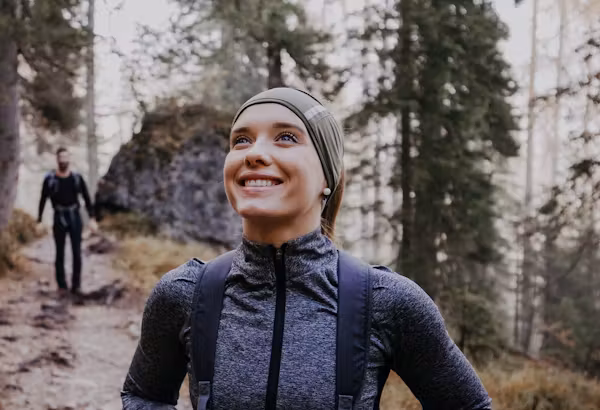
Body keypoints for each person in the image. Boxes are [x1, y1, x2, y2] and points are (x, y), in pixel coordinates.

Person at [121, 87, 492, 409]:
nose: (253, 153)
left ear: (327, 176)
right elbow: (143, 395)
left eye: (285, 137)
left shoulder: (387, 302)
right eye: (241, 140)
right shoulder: (185, 293)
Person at [38, 147, 97, 297]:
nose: (63, 160)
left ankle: (76, 285)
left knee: (77, 252)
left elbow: (86, 198)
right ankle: (62, 285)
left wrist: (92, 218)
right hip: (58, 216)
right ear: (57, 159)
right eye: (61, 157)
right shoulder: (50, 179)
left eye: (65, 157)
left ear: (69, 159)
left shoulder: (77, 178)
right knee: (59, 252)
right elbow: (43, 199)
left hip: (75, 216)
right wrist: (39, 220)